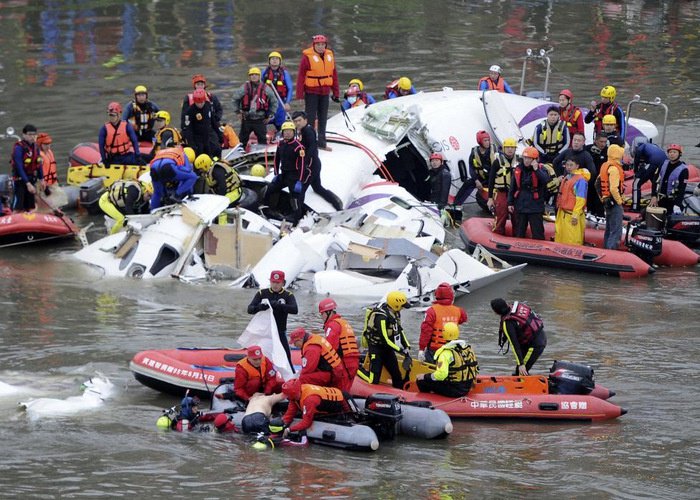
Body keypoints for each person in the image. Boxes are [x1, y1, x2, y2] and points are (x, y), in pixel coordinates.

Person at [358, 291, 411, 389]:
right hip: (376, 348)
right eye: (402, 306)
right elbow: (385, 339)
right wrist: (399, 350)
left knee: (397, 377)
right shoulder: (381, 317)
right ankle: (356, 370)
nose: (403, 308)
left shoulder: (395, 314)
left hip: (388, 349)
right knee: (373, 379)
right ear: (396, 305)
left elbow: (400, 331)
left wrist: (406, 346)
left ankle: (399, 393)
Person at [247, 270, 298, 370]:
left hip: (280, 332)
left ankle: (290, 376)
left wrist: (280, 306)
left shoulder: (288, 295)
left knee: (286, 355)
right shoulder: (262, 293)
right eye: (273, 282)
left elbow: (295, 310)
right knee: (259, 356)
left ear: (283, 283)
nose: (275, 285)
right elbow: (250, 309)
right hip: (264, 333)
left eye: (278, 283)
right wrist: (261, 307)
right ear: (270, 282)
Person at [292, 110, 343, 210]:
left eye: (299, 120)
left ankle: (298, 214)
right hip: (315, 164)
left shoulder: (308, 131)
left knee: (301, 190)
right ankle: (337, 205)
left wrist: (304, 164)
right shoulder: (304, 130)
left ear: (305, 120)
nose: (297, 123)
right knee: (317, 188)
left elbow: (311, 148)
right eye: (295, 121)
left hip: (311, 166)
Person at [296, 34, 339, 150]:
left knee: (323, 117)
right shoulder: (307, 57)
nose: (320, 47)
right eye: (318, 45)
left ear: (325, 45)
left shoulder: (330, 55)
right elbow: (301, 76)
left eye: (323, 44)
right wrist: (299, 94)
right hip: (311, 91)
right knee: (309, 117)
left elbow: (334, 75)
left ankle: (321, 142)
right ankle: (308, 142)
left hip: (325, 91)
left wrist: (336, 92)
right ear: (314, 45)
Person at [415, 322, 479, 397]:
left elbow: (441, 375)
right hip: (467, 387)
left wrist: (425, 376)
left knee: (421, 381)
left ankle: (428, 399)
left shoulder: (445, 353)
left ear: (443, 334)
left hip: (454, 390)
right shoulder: (467, 349)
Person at [263, 121, 309, 223]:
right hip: (283, 174)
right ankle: (268, 208)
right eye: (285, 131)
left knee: (295, 197)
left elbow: (302, 165)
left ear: (294, 132)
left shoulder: (299, 147)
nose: (287, 133)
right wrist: (276, 173)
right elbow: (277, 159)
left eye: (290, 131)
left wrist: (300, 180)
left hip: (294, 176)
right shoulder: (281, 144)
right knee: (271, 188)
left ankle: (295, 217)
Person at [490, 298, 547, 376]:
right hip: (538, 334)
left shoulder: (508, 323)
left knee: (522, 372)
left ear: (496, 312)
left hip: (535, 345)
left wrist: (521, 364)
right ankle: (518, 378)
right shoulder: (516, 306)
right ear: (506, 304)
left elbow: (515, 345)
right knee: (518, 371)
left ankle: (526, 385)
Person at [281, 379, 353, 435]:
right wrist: (281, 425)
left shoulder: (309, 399)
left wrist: (289, 429)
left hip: (342, 400)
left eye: (287, 395)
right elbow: (289, 414)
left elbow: (306, 423)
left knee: (353, 417)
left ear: (293, 393)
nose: (286, 397)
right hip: (328, 402)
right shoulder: (296, 396)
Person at [418, 282, 468, 364]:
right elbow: (463, 319)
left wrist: (421, 349)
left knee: (432, 372)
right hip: (452, 348)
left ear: (436, 295)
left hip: (434, 350)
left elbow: (426, 331)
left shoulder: (431, 311)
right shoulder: (459, 311)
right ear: (451, 295)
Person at [508, 146, 550, 239]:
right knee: (519, 232)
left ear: (535, 159)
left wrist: (536, 170)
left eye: (529, 158)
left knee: (538, 233)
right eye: (525, 158)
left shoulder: (541, 169)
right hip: (521, 205)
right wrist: (510, 203)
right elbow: (512, 187)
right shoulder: (518, 169)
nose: (526, 160)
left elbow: (545, 180)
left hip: (535, 206)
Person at [318, 298, 360, 391]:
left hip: (345, 364)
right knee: (345, 390)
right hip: (353, 361)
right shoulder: (343, 322)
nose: (322, 317)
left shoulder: (333, 325)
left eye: (322, 314)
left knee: (341, 393)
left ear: (328, 312)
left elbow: (330, 348)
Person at [232, 67, 278, 148]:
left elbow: (274, 102)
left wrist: (270, 115)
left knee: (262, 139)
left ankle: (263, 153)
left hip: (260, 120)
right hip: (247, 119)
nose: (254, 76)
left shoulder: (266, 88)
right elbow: (235, 99)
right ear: (249, 76)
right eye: (252, 75)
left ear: (259, 76)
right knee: (242, 139)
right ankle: (240, 152)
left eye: (256, 75)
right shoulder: (244, 88)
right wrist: (237, 112)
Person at [455, 130, 497, 205]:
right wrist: (476, 180)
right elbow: (471, 168)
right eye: (485, 140)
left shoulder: (494, 150)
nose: (487, 142)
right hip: (482, 178)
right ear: (480, 141)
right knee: (468, 184)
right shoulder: (474, 152)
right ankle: (456, 205)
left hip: (494, 178)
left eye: (488, 140)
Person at [554, 157, 590, 245]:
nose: (569, 167)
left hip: (572, 216)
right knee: (560, 238)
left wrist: (575, 215)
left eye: (571, 165)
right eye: (567, 165)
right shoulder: (567, 177)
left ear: (577, 166)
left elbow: (580, 200)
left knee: (572, 240)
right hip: (562, 213)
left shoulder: (580, 181)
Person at [596, 144, 625, 249]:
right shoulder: (615, 169)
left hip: (607, 202)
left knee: (608, 229)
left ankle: (606, 248)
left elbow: (597, 184)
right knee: (616, 230)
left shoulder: (606, 166)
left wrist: (603, 199)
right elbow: (613, 188)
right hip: (614, 203)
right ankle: (611, 251)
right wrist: (620, 201)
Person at [487, 137, 518, 235]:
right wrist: (490, 198)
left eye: (512, 147)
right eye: (508, 147)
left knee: (517, 217)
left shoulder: (520, 162)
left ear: (515, 149)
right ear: (504, 148)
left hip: (516, 194)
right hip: (502, 193)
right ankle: (498, 235)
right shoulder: (497, 162)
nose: (510, 149)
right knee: (501, 215)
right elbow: (491, 181)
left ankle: (517, 238)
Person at [10, 124, 44, 211]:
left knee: (31, 206)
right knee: (18, 206)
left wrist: (41, 179)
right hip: (20, 180)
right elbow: (19, 167)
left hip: (31, 178)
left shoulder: (36, 147)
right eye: (29, 134)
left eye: (34, 134)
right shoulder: (19, 148)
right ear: (24, 135)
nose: (32, 137)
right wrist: (27, 183)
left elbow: (39, 163)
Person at [182, 88, 221, 158]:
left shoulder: (208, 106)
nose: (200, 104)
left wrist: (219, 134)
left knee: (216, 149)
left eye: (202, 102)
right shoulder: (189, 112)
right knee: (200, 153)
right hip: (197, 137)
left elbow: (213, 122)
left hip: (208, 134)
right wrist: (192, 145)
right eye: (198, 103)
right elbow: (188, 130)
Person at [630, 136, 667, 212]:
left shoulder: (640, 148)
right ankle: (658, 202)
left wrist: (636, 173)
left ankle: (635, 206)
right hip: (664, 164)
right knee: (655, 182)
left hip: (653, 163)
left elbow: (636, 162)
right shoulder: (654, 146)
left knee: (636, 183)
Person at [649, 144, 688, 214]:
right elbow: (655, 180)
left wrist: (677, 204)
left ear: (679, 154)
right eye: (670, 152)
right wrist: (653, 196)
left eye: (674, 152)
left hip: (673, 202)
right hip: (660, 199)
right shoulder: (663, 164)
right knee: (646, 213)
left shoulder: (683, 169)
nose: (672, 154)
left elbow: (682, 189)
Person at [98, 102, 141, 166]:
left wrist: (137, 154)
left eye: (113, 115)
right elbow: (101, 146)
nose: (111, 117)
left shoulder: (127, 126)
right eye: (110, 115)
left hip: (126, 156)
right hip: (113, 158)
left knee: (142, 163)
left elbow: (134, 140)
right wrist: (104, 159)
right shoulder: (104, 129)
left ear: (119, 115)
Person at [262, 51, 294, 131]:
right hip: (267, 102)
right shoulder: (264, 73)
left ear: (280, 61)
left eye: (277, 59)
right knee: (262, 121)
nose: (274, 60)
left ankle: (281, 135)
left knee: (280, 122)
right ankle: (262, 136)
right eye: (272, 59)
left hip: (280, 103)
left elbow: (290, 88)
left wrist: (287, 102)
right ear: (269, 61)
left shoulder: (284, 73)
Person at [585, 133, 609, 217]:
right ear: (596, 141)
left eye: (605, 142)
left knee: (599, 199)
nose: (603, 144)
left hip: (602, 180)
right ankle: (590, 212)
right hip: (590, 179)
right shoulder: (588, 149)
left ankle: (600, 215)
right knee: (590, 196)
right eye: (601, 142)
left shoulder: (608, 151)